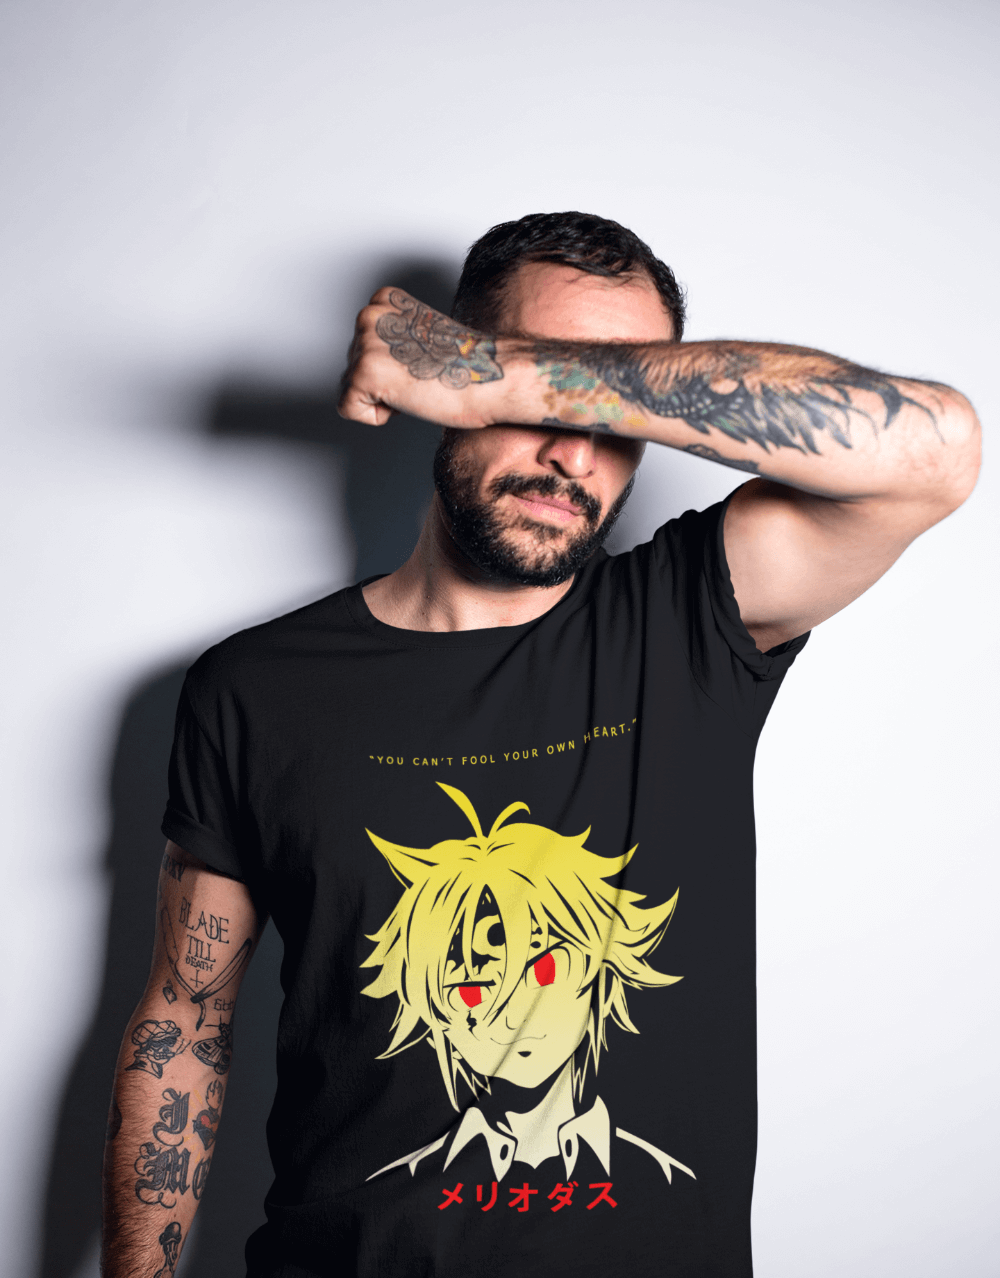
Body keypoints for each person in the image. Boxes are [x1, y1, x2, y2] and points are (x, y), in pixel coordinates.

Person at [101, 211, 980, 1278]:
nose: (572, 453)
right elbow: (186, 1023)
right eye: (531, 401)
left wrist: (511, 376)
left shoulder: (688, 619)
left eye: (606, 408)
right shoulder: (256, 687)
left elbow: (936, 448)